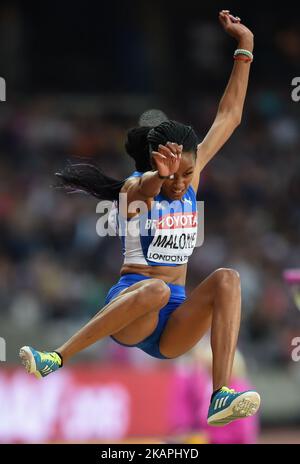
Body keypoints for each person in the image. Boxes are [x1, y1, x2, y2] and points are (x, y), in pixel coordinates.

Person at [19, 10, 260, 426]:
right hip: (133, 309)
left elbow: (229, 116)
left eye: (190, 173)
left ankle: (220, 394)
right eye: (176, 174)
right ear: (156, 165)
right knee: (157, 290)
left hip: (174, 327)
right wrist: (157, 177)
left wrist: (245, 49)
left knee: (227, 278)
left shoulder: (190, 176)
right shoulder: (135, 189)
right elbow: (148, 188)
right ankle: (54, 357)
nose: (184, 182)